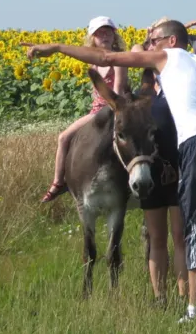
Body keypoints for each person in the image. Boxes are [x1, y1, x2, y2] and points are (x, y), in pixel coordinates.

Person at [23, 19, 196, 322]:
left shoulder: (168, 57)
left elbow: (106, 58)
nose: (149, 45)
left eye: (154, 39)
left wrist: (56, 48)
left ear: (171, 41)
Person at [40, 16, 129, 203]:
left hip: (113, 108)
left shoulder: (119, 59)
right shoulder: (93, 61)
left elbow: (118, 90)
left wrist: (109, 110)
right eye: (99, 33)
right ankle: (58, 182)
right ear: (93, 38)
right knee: (64, 137)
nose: (104, 36)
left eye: (107, 32)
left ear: (114, 35)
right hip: (96, 110)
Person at [134, 25, 187, 303]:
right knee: (162, 238)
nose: (152, 48)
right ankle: (163, 297)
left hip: (173, 167)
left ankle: (175, 297)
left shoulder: (172, 84)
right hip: (157, 169)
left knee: (174, 237)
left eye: (156, 42)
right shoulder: (149, 90)